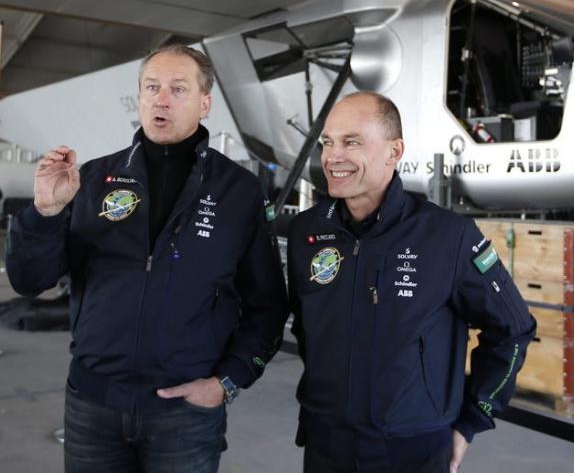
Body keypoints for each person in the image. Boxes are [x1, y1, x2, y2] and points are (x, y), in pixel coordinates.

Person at [6, 44, 288, 473]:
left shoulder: (239, 191)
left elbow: (267, 305)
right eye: (152, 87)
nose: (161, 99)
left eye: (178, 89)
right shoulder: (95, 180)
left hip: (185, 414)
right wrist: (44, 214)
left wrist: (226, 383)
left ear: (205, 103)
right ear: (139, 98)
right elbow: (29, 281)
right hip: (92, 406)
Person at [287, 91, 536, 473]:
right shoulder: (307, 232)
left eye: (351, 142)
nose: (333, 156)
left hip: (412, 448)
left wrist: (471, 420)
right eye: (328, 142)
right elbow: (308, 330)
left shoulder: (448, 236)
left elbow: (513, 328)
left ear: (394, 151)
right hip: (326, 442)